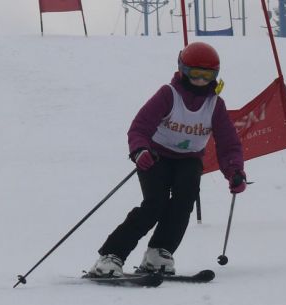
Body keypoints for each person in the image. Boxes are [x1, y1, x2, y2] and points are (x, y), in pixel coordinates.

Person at [87, 42, 246, 277]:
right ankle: (111, 256)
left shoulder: (215, 105)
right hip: (156, 157)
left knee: (183, 204)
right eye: (195, 74)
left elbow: (228, 144)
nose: (201, 80)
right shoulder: (168, 95)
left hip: (189, 160)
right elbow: (139, 127)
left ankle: (159, 253)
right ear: (183, 70)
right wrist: (140, 151)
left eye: (208, 75)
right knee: (154, 205)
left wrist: (234, 171)